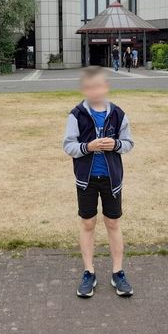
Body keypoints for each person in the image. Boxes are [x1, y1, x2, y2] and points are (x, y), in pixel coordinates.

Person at [63, 67, 135, 298]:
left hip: (112, 179)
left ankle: (118, 272)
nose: (95, 91)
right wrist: (88, 147)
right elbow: (68, 146)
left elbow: (129, 143)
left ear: (106, 87)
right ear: (84, 89)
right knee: (88, 223)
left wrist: (115, 145)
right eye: (90, 87)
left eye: (99, 86)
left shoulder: (118, 114)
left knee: (113, 223)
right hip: (86, 180)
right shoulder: (76, 115)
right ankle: (88, 272)